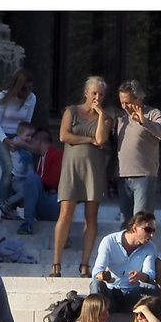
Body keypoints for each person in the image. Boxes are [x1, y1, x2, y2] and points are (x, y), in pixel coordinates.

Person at [52, 76, 112, 279]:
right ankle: (56, 263)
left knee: (91, 215)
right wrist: (88, 139)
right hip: (72, 167)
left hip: (93, 169)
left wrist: (101, 114)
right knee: (65, 213)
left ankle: (85, 264)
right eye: (94, 93)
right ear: (86, 92)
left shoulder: (106, 116)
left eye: (101, 94)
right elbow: (64, 136)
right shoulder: (72, 111)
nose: (97, 97)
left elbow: (102, 138)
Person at [110, 80, 161, 225]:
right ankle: (125, 248)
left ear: (139, 98)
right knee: (126, 222)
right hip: (122, 176)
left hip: (144, 176)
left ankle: (141, 247)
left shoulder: (152, 113)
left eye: (128, 102)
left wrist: (145, 122)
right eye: (122, 102)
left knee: (141, 221)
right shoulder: (120, 117)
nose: (124, 106)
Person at [0, 70, 37, 221]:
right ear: (17, 86)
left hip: (17, 135)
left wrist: (22, 140)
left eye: (29, 88)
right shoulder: (4, 95)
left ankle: (13, 206)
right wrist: (6, 141)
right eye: (24, 88)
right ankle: (5, 208)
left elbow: (26, 122)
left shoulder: (31, 98)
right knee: (8, 168)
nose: (27, 92)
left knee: (20, 170)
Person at [89, 211, 161, 313]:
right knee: (96, 284)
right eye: (148, 230)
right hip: (111, 292)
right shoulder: (109, 241)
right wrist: (104, 276)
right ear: (135, 228)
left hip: (132, 295)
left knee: (151, 287)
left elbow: (150, 273)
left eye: (153, 231)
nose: (152, 235)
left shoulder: (150, 247)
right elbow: (96, 272)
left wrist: (140, 276)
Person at [17, 127, 62, 236]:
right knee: (31, 179)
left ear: (38, 142)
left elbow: (53, 182)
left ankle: (63, 233)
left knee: (32, 178)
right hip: (42, 204)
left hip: (54, 203)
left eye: (32, 143)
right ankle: (28, 223)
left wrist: (34, 183)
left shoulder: (58, 154)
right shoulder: (40, 158)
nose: (31, 146)